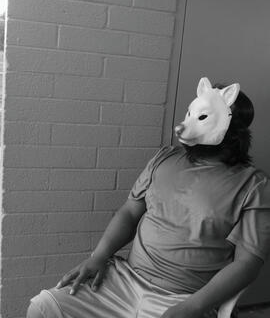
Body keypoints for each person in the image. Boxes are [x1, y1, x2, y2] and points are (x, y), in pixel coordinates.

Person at [27, 78, 270, 318]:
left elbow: (247, 263)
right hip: (123, 281)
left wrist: (193, 307)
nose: (182, 126)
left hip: (185, 298)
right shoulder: (164, 159)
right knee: (42, 308)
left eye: (203, 117)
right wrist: (99, 256)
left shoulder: (253, 185)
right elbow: (130, 212)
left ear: (233, 129)